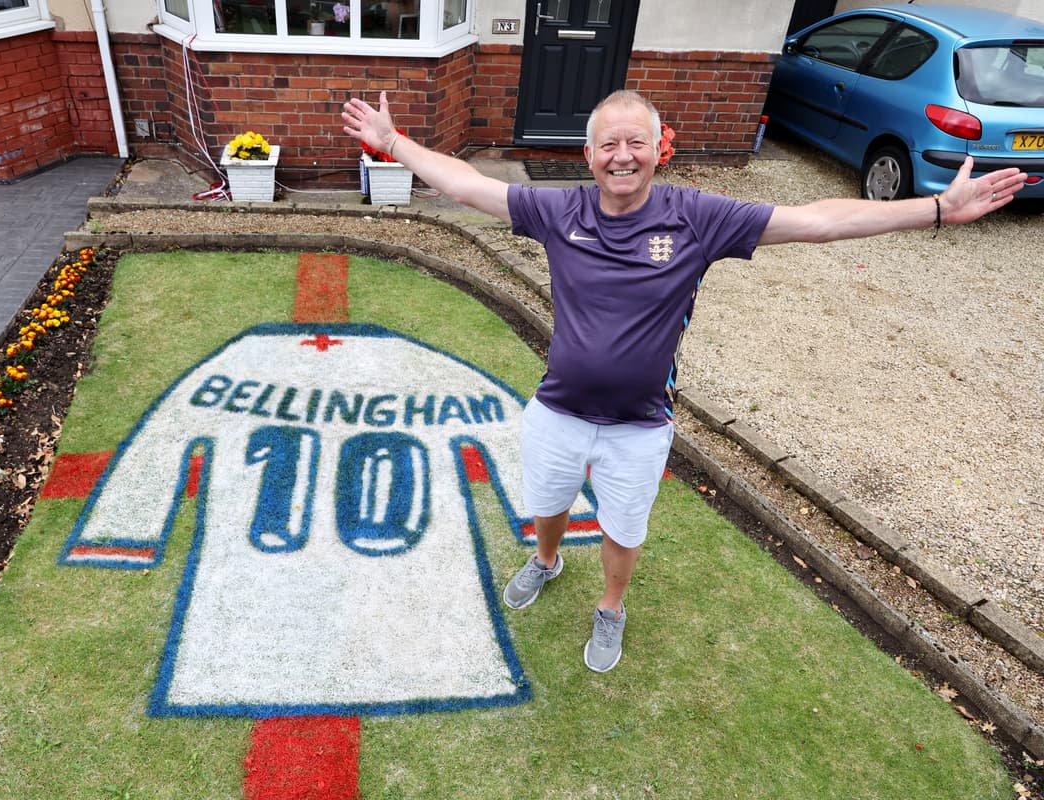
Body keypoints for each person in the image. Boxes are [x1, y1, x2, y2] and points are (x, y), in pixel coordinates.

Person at [341, 89, 1026, 673]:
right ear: (588, 156)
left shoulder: (696, 217)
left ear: (655, 147)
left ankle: (610, 607)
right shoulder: (559, 212)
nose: (621, 156)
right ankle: (546, 560)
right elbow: (467, 185)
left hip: (641, 423)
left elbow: (817, 222)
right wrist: (393, 140)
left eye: (635, 142)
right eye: (608, 145)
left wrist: (936, 209)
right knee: (545, 504)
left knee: (623, 527)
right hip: (559, 410)